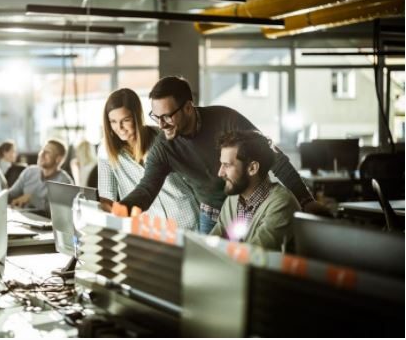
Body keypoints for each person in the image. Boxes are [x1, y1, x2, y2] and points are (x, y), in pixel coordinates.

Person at [118, 76, 328, 234]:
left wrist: (305, 199)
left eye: (167, 116)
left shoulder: (225, 119)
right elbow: (146, 189)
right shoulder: (163, 147)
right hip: (211, 214)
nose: (161, 125)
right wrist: (120, 209)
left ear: (189, 108)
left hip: (250, 207)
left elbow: (273, 157)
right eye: (156, 117)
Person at [98, 88, 199, 230]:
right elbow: (107, 199)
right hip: (149, 229)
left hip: (186, 220)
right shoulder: (105, 151)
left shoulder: (162, 137)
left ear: (137, 117)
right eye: (113, 121)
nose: (119, 127)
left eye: (125, 120)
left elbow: (192, 177)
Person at [210, 130, 300, 251]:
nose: (220, 173)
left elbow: (254, 257)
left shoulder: (282, 203)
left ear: (252, 168)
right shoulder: (233, 200)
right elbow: (210, 245)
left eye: (227, 165)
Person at [8, 139, 73, 214]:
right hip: (22, 218)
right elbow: (11, 193)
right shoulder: (29, 171)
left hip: (46, 223)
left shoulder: (65, 182)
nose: (41, 154)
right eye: (42, 150)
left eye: (47, 152)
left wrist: (32, 199)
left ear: (58, 159)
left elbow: (60, 211)